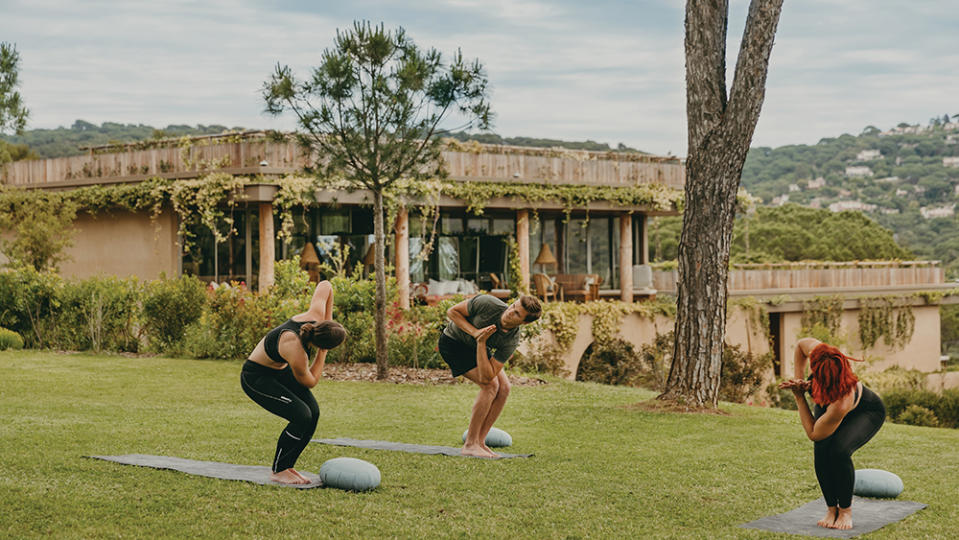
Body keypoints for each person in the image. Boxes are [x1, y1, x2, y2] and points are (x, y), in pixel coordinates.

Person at [241, 280, 347, 485]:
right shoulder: (297, 350)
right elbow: (311, 381)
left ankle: (288, 466)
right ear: (322, 345)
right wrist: (323, 354)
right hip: (256, 377)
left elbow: (326, 285)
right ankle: (279, 470)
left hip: (278, 371)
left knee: (313, 412)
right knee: (301, 414)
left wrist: (328, 319)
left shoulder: (315, 316)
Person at [779, 337, 886, 530]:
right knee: (821, 450)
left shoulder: (842, 402)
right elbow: (801, 345)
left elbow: (813, 433)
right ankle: (831, 509)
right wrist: (798, 379)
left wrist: (799, 397)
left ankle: (845, 511)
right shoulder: (821, 352)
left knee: (838, 451)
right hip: (828, 402)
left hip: (867, 412)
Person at [440, 293, 542, 458]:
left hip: (477, 346)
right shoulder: (488, 304)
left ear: (524, 322)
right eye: (512, 306)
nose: (510, 312)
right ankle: (470, 444)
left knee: (504, 388)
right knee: (490, 387)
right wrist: (475, 333)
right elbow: (452, 312)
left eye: (517, 313)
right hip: (453, 344)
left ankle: (480, 442)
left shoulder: (511, 339)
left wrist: (481, 342)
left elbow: (487, 375)